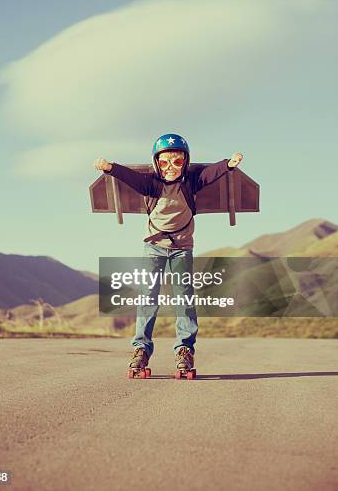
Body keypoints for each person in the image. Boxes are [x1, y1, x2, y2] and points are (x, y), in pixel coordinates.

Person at [93, 134, 243, 375]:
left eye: (177, 161)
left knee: (184, 298)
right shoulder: (151, 185)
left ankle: (185, 349)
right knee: (148, 297)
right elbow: (130, 178)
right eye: (164, 162)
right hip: (153, 247)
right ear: (156, 164)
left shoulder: (190, 183)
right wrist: (110, 168)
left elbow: (209, 174)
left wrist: (228, 164)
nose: (171, 167)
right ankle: (141, 349)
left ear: (185, 162)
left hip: (182, 249)